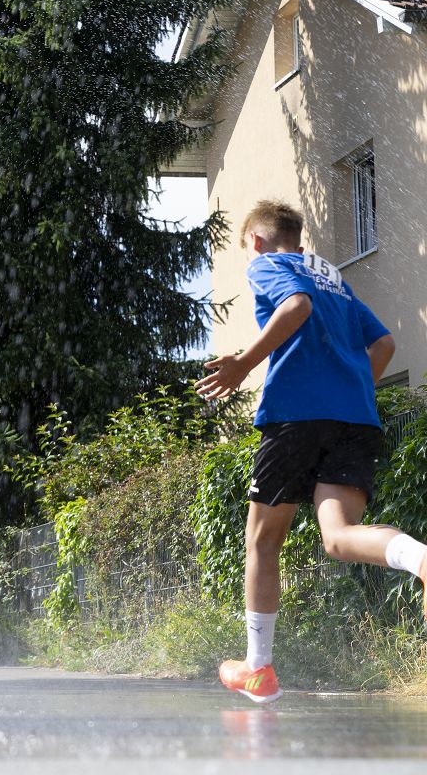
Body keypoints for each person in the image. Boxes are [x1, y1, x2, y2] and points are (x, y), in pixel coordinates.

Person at [195, 199, 424, 704]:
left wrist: (242, 365)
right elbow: (384, 344)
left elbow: (295, 307)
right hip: (355, 419)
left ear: (255, 241)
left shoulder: (267, 264)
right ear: (298, 240)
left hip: (295, 416)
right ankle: (420, 558)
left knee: (263, 539)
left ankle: (258, 668)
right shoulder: (336, 281)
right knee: (339, 536)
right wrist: (347, 393)